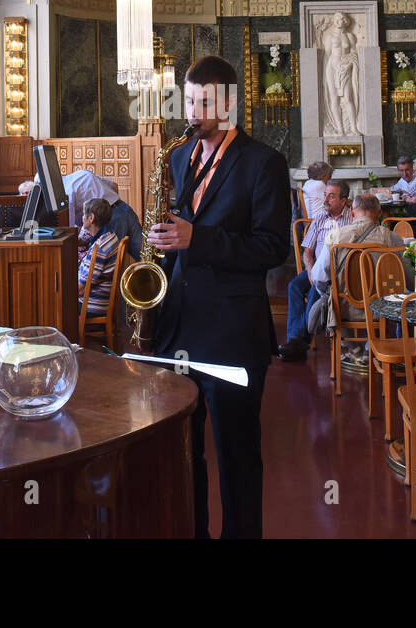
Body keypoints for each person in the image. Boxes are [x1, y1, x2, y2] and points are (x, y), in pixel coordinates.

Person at [147, 55, 290, 539]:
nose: (191, 112)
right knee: (183, 453)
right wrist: (162, 248)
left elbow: (272, 248)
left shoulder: (264, 163)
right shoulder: (178, 157)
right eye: (187, 101)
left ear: (229, 103)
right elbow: (181, 232)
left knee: (237, 455)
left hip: (232, 335)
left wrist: (196, 239)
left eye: (203, 102)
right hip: (178, 327)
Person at [305, 194, 401, 360]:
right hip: (379, 309)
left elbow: (318, 276)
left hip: (343, 307)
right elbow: (401, 277)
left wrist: (330, 294)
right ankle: (369, 347)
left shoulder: (335, 237)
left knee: (332, 297)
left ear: (352, 212)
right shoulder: (391, 238)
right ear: (379, 214)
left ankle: (353, 347)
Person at [279, 178, 352, 362]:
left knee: (314, 291)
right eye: (325, 195)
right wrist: (310, 270)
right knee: (294, 286)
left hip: (337, 271)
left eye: (332, 196)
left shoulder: (351, 219)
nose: (326, 199)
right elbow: (308, 252)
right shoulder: (320, 217)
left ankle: (299, 341)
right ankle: (296, 338)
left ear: (344, 200)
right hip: (316, 266)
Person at [21, 168, 143, 260]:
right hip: (124, 208)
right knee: (145, 257)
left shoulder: (65, 192)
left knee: (105, 266)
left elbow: (69, 229)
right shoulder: (80, 174)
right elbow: (114, 186)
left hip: (112, 219)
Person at [77, 198, 122, 317]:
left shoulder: (99, 247)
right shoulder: (110, 236)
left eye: (83, 214)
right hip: (101, 301)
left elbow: (79, 290)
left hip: (92, 307)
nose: (82, 218)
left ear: (91, 218)